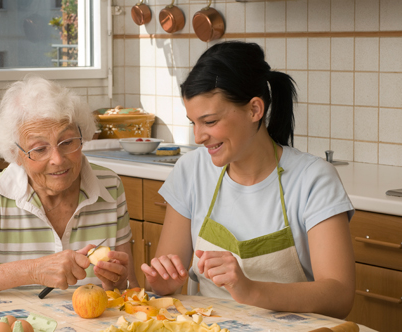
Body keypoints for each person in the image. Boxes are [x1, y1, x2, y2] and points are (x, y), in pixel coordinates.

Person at [141, 41, 356, 319]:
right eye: (193, 122)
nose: (198, 137)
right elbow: (162, 283)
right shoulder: (191, 170)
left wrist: (250, 290)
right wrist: (162, 283)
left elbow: (339, 295)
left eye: (209, 121)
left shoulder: (313, 179)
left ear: (254, 110)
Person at [0, 76, 138, 298]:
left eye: (67, 142)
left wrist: (120, 282)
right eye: (39, 149)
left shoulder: (110, 187)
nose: (57, 159)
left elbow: (131, 289)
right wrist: (31, 272)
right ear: (16, 154)